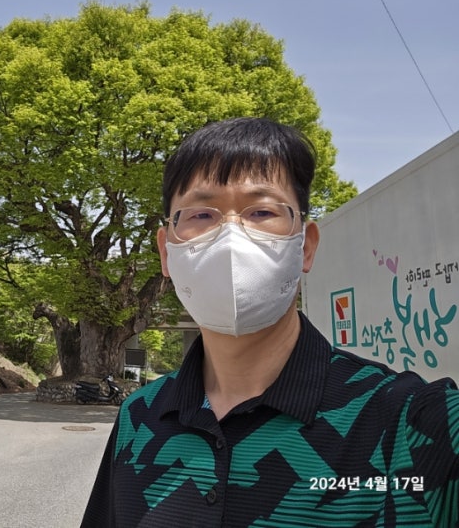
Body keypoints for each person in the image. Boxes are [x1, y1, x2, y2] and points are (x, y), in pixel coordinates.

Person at [81, 117, 459, 527]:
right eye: (201, 214)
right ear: (166, 252)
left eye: (261, 211)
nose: (230, 238)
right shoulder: (138, 416)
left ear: (306, 247)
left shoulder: (415, 423)